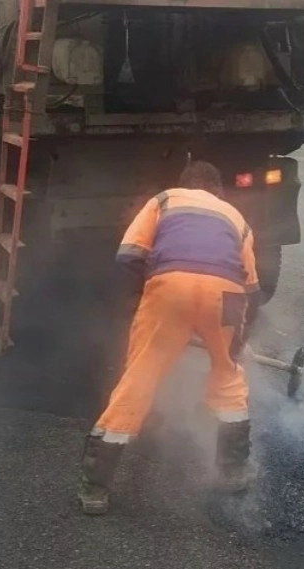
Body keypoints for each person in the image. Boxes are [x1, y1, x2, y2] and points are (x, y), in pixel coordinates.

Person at [78, 160, 261, 515]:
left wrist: (147, 289)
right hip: (225, 295)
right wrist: (237, 343)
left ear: (185, 183)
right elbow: (251, 289)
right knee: (227, 376)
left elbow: (127, 255)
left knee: (139, 381)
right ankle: (232, 473)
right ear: (218, 191)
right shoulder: (237, 218)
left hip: (170, 288)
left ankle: (95, 489)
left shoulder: (163, 200)